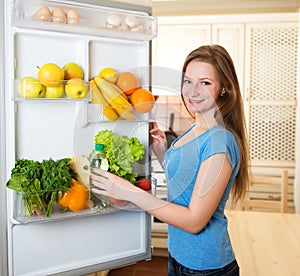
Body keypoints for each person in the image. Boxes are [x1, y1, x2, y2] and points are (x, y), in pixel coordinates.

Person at [90, 44, 249, 276]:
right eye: (188, 81)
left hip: (205, 266)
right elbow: (188, 182)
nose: (193, 91)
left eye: (205, 82)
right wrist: (163, 152)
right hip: (180, 257)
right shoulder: (197, 127)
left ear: (224, 88)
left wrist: (129, 192)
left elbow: (195, 220)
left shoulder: (219, 141)